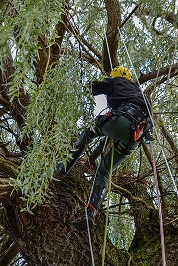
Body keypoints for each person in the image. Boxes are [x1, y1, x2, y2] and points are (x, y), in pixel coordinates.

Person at [56, 66, 154, 231]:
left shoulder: (116, 81)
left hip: (120, 120)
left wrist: (73, 87)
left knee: (88, 132)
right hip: (135, 138)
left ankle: (62, 169)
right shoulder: (144, 96)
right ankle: (91, 212)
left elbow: (92, 88)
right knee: (104, 171)